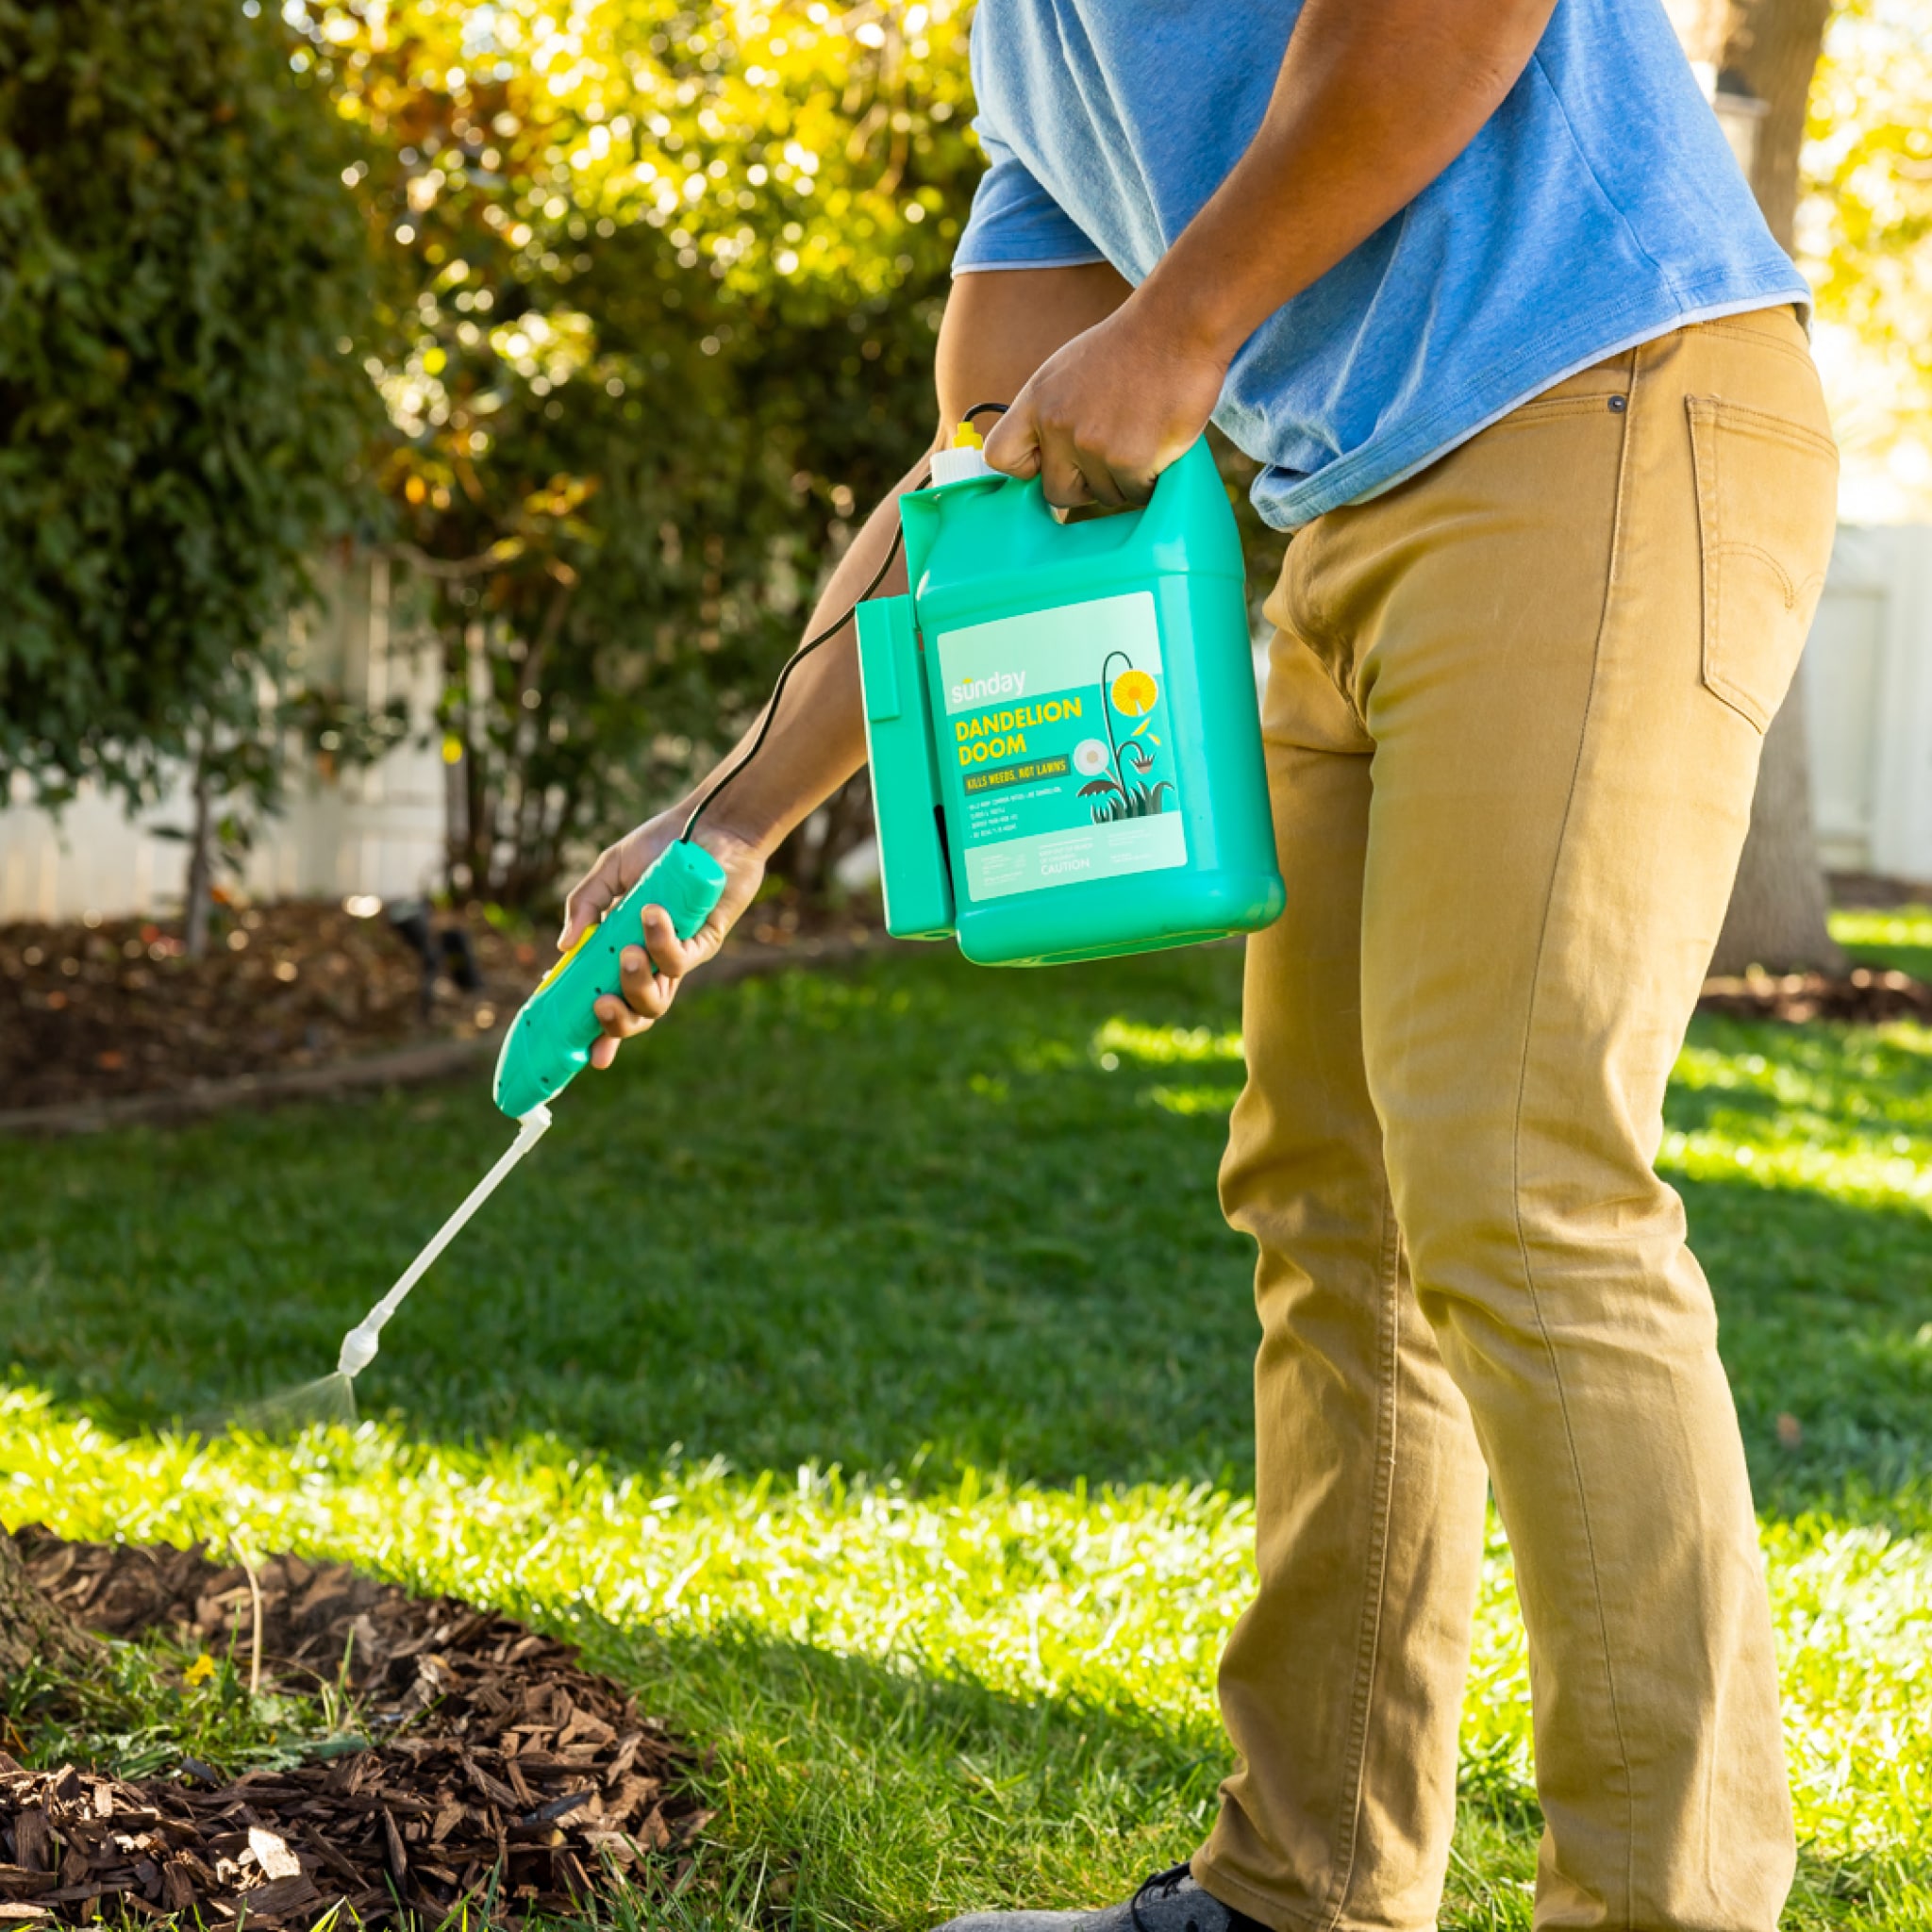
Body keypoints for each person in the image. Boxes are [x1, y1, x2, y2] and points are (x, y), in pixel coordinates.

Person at [558, 0, 1839, 1925]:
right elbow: (992, 461)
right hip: (1359, 514)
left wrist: (1180, 325)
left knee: (1513, 1170)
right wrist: (736, 814)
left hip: (1605, 402)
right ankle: (1296, 1888)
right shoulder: (1027, 49)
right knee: (1337, 1206)